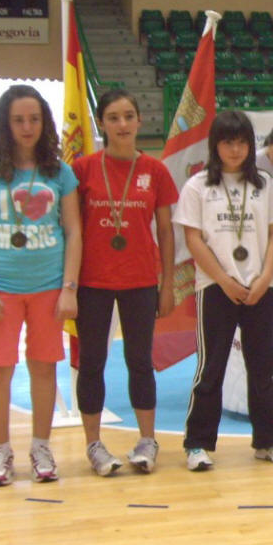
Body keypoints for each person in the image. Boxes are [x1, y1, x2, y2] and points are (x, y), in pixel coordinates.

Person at [0, 85, 81, 485]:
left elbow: (73, 230)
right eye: (18, 119)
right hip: (2, 289)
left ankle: (40, 445)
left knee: (44, 368)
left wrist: (69, 286)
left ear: (44, 123)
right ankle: (0, 450)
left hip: (49, 287)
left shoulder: (59, 172)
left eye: (34, 119)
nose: (27, 126)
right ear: (5, 124)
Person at [174, 110, 273, 470]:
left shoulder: (265, 185)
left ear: (250, 145)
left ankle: (270, 440)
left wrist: (263, 278)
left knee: (262, 365)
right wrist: (225, 279)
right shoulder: (198, 186)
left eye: (242, 141)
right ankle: (197, 444)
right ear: (216, 145)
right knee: (210, 367)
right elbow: (192, 238)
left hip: (260, 287)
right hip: (215, 287)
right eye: (228, 142)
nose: (235, 149)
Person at [72, 88, 177, 476]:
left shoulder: (156, 171)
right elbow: (71, 229)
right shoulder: (82, 170)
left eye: (128, 116)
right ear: (101, 123)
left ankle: (147, 440)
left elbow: (166, 233)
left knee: (139, 362)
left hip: (140, 279)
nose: (122, 124)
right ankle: (94, 445)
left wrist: (166, 284)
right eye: (113, 117)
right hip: (92, 281)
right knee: (93, 362)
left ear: (139, 121)